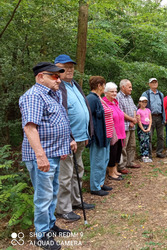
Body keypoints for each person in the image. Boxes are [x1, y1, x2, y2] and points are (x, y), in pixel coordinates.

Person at [19, 62, 73, 249]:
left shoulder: (54, 94)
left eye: (59, 76)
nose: (59, 79)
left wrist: (66, 143)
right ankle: (42, 236)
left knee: (53, 192)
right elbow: (30, 127)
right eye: (54, 76)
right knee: (43, 196)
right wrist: (40, 156)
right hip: (42, 156)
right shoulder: (34, 96)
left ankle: (50, 225)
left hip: (55, 153)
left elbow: (60, 121)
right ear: (41, 76)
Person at [54, 54, 95, 222]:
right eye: (65, 67)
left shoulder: (74, 85)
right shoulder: (57, 87)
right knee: (65, 175)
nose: (69, 69)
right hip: (66, 139)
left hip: (80, 137)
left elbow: (84, 109)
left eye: (71, 66)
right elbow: (60, 114)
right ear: (57, 68)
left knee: (78, 170)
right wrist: (68, 136)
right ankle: (63, 209)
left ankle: (76, 201)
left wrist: (87, 132)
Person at [86, 76, 113, 196]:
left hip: (105, 135)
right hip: (98, 136)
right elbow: (88, 117)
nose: (104, 87)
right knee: (98, 161)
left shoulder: (99, 98)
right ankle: (95, 186)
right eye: (104, 85)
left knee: (104, 160)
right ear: (99, 86)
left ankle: (101, 183)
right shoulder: (91, 99)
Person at [103, 82, 126, 181]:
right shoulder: (104, 103)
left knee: (118, 152)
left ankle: (115, 170)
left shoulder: (115, 102)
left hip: (120, 133)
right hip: (113, 133)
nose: (114, 93)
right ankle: (111, 172)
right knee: (112, 153)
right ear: (106, 92)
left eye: (115, 91)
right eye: (111, 91)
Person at [117, 79, 141, 170]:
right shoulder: (118, 97)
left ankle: (130, 162)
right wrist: (132, 119)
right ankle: (121, 165)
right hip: (124, 126)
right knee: (123, 146)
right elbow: (120, 112)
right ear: (123, 87)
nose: (131, 89)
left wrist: (134, 120)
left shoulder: (129, 97)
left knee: (132, 145)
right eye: (129, 87)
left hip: (132, 125)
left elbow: (134, 108)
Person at [141, 78, 166, 158]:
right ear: (149, 84)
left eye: (155, 82)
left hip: (159, 116)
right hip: (149, 118)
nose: (154, 84)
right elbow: (141, 106)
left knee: (161, 136)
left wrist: (164, 117)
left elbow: (163, 107)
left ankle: (159, 152)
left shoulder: (160, 94)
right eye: (152, 82)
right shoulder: (146, 94)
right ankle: (149, 154)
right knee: (149, 136)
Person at [137, 96, 153, 162]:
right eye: (143, 102)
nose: (144, 103)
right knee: (143, 142)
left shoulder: (148, 110)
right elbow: (139, 121)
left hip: (147, 126)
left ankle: (147, 155)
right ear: (139, 102)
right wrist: (143, 129)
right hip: (142, 127)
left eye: (145, 102)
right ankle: (143, 155)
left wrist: (149, 127)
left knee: (147, 141)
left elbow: (150, 119)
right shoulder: (138, 111)